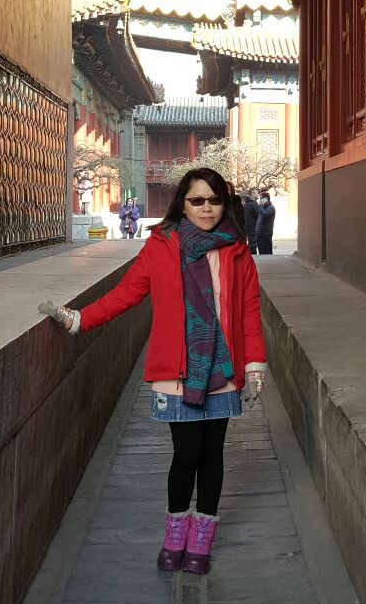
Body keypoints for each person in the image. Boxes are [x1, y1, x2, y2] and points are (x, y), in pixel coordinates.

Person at [38, 168, 266, 574]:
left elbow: (249, 309)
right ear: (183, 204)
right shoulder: (161, 246)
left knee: (212, 454)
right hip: (176, 371)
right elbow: (127, 292)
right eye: (197, 200)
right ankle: (175, 533)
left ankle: (201, 539)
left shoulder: (237, 251)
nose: (207, 208)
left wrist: (254, 363)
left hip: (222, 369)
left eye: (214, 200)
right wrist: (80, 319)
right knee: (187, 453)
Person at [255, 190, 276, 255]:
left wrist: (260, 206)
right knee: (261, 253)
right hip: (260, 234)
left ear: (265, 199)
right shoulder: (263, 207)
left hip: (265, 234)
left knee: (266, 253)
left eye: (261, 198)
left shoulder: (271, 208)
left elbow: (265, 215)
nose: (260, 200)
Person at [242, 187, 260, 255]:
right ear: (252, 194)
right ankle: (251, 256)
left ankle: (249, 255)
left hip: (246, 226)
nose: (258, 194)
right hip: (253, 226)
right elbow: (259, 214)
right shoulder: (254, 204)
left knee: (250, 242)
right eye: (256, 193)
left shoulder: (246, 203)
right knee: (253, 243)